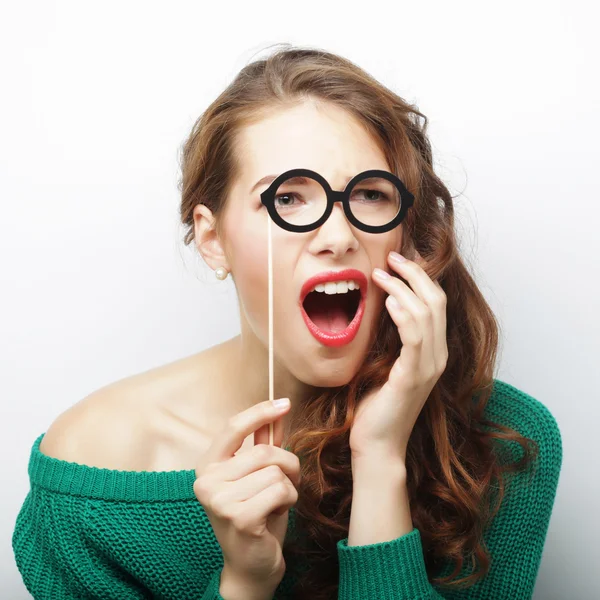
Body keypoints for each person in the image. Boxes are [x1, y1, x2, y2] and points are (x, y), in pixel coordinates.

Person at [12, 44, 562, 600]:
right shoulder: (93, 471)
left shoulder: (501, 445)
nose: (338, 235)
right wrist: (245, 582)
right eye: (288, 198)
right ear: (212, 238)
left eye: (370, 195)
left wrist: (380, 462)